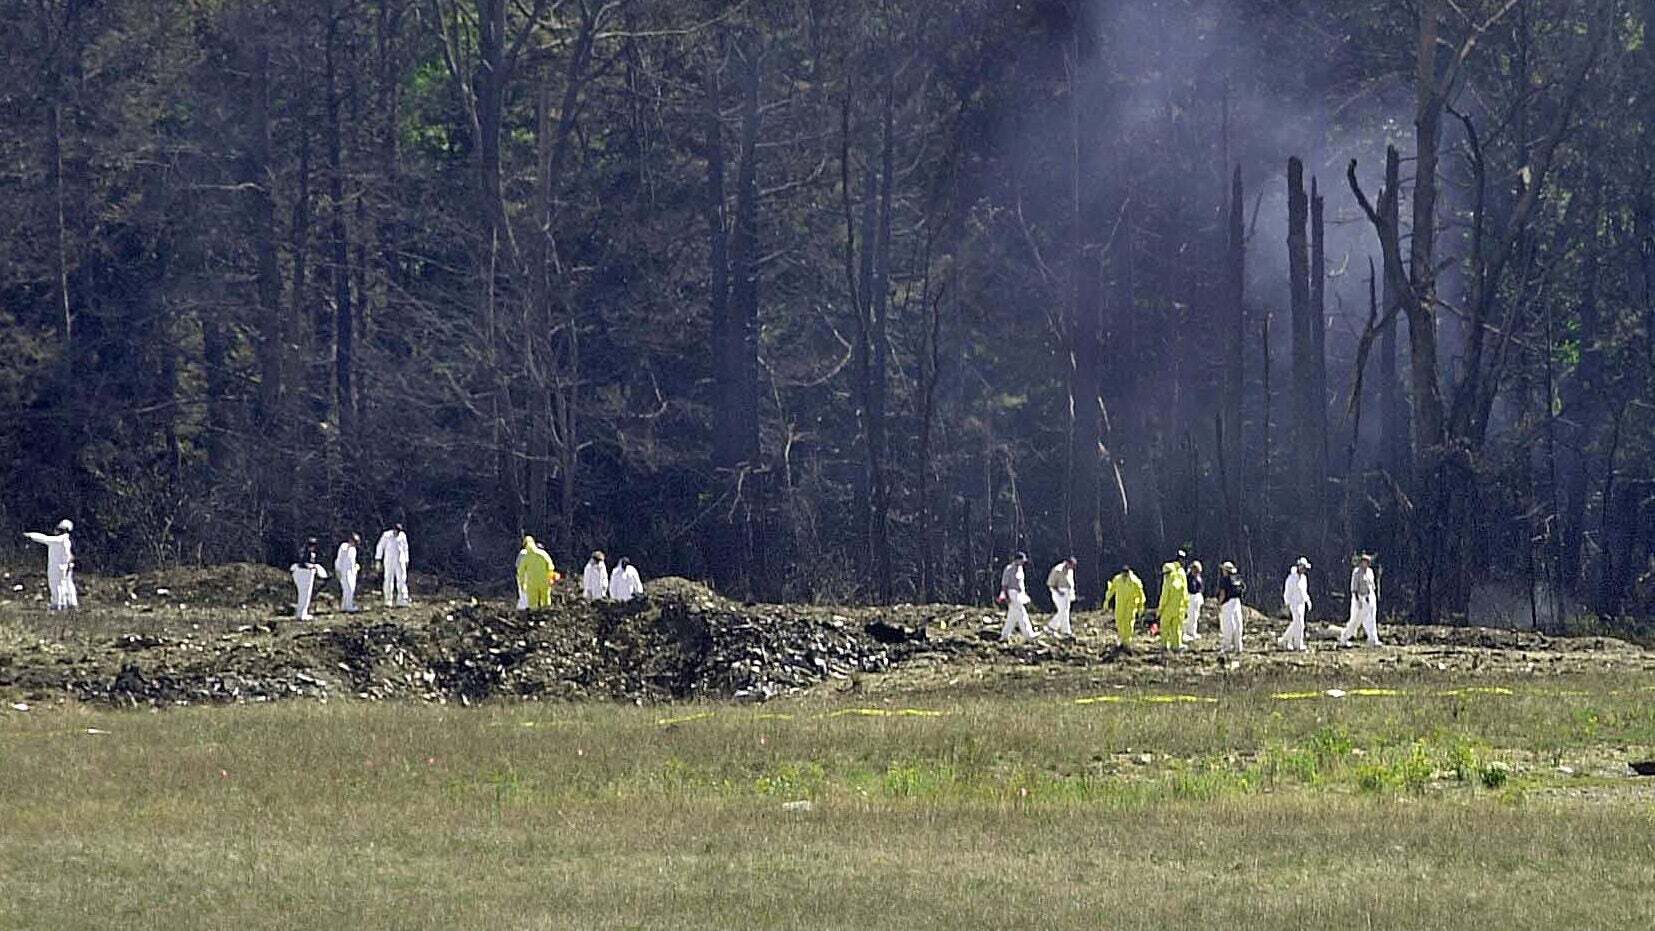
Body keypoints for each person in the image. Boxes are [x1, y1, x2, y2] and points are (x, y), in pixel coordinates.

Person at [23, 519, 78, 611]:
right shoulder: (66, 540)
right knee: (65, 585)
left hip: (56, 567)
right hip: (65, 567)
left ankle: (57, 604)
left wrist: (30, 535)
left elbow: (44, 538)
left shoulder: (58, 540)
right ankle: (67, 603)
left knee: (55, 585)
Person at [1339, 553, 1382, 647]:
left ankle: (1373, 640)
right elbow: (1354, 589)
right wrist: (1358, 601)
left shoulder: (1370, 572)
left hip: (1370, 597)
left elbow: (1372, 586)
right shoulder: (1356, 572)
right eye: (1364, 562)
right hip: (1359, 598)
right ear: (1361, 562)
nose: (1366, 564)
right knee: (1355, 620)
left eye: (1368, 562)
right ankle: (1344, 638)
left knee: (1371, 619)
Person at [998, 552, 1035, 642]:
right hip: (1012, 593)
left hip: (1020, 594)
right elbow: (1004, 584)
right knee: (1022, 614)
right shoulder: (1009, 569)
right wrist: (1006, 597)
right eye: (1022, 560)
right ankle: (1029, 635)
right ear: (1017, 560)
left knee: (1012, 617)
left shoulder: (1020, 569)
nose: (1023, 562)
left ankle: (1004, 635)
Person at [1105, 564, 1145, 646]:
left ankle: (1127, 641)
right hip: (1120, 605)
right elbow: (1111, 590)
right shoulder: (1117, 579)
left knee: (1129, 623)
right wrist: (1107, 600)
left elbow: (1141, 595)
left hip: (1130, 605)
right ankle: (1122, 639)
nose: (1124, 575)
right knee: (1119, 621)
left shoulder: (1135, 581)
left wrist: (1141, 606)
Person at [375, 523, 411, 608]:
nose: (396, 533)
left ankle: (402, 600)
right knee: (388, 579)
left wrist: (406, 559)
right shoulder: (386, 535)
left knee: (402, 579)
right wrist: (378, 559)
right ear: (393, 530)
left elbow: (405, 548)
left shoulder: (402, 536)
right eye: (395, 531)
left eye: (398, 532)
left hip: (400, 560)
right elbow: (380, 547)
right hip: (389, 561)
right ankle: (388, 600)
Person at [290, 543, 329, 621]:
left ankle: (301, 613)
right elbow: (304, 564)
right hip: (305, 574)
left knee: (303, 595)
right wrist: (313, 566)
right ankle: (302, 614)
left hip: (303, 573)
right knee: (304, 595)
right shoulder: (306, 553)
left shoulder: (303, 552)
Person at [1280, 557, 1311, 651]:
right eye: (1303, 567)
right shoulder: (1291, 578)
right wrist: (1287, 604)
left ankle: (1287, 641)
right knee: (1298, 623)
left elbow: (1304, 591)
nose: (1304, 570)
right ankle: (1295, 643)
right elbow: (1287, 592)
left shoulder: (1303, 578)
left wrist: (1308, 601)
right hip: (1294, 603)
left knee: (1298, 624)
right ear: (1299, 566)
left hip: (1301, 603)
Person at [517, 535, 556, 609]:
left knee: (533, 601)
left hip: (531, 583)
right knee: (545, 599)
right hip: (544, 581)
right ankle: (546, 614)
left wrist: (522, 584)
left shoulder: (526, 557)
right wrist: (550, 578)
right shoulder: (542, 554)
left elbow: (521, 571)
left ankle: (534, 616)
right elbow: (551, 566)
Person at [1043, 556, 1078, 638]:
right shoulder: (1057, 569)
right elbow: (1051, 583)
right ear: (1067, 563)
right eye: (1071, 565)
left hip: (1067, 593)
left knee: (1064, 611)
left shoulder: (1070, 571)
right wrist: (1059, 592)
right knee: (1063, 611)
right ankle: (1066, 631)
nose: (1072, 567)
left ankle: (1051, 627)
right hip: (1058, 592)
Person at [1217, 561, 1247, 656]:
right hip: (1237, 602)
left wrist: (1219, 603)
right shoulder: (1237, 578)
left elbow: (1223, 593)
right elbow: (1243, 588)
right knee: (1238, 624)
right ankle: (1238, 646)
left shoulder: (1225, 579)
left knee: (1227, 624)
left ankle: (1227, 645)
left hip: (1227, 602)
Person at [1157, 560, 1188, 650]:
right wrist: (1185, 606)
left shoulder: (1168, 581)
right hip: (1179, 609)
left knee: (1165, 627)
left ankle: (1164, 645)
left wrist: (1160, 610)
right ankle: (1176, 645)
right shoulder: (1180, 578)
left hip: (1168, 609)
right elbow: (1185, 594)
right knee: (1177, 628)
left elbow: (1164, 597)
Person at [335, 533, 361, 613]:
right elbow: (339, 559)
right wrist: (338, 570)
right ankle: (348, 606)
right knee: (348, 588)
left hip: (352, 572)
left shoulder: (353, 549)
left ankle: (345, 606)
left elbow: (352, 561)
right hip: (344, 571)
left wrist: (356, 567)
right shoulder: (344, 547)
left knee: (351, 589)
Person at [1183, 560, 1205, 642]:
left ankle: (1193, 632)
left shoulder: (1198, 577)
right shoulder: (1188, 577)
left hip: (1196, 597)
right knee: (1189, 615)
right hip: (1190, 597)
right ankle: (1186, 632)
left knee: (1195, 616)